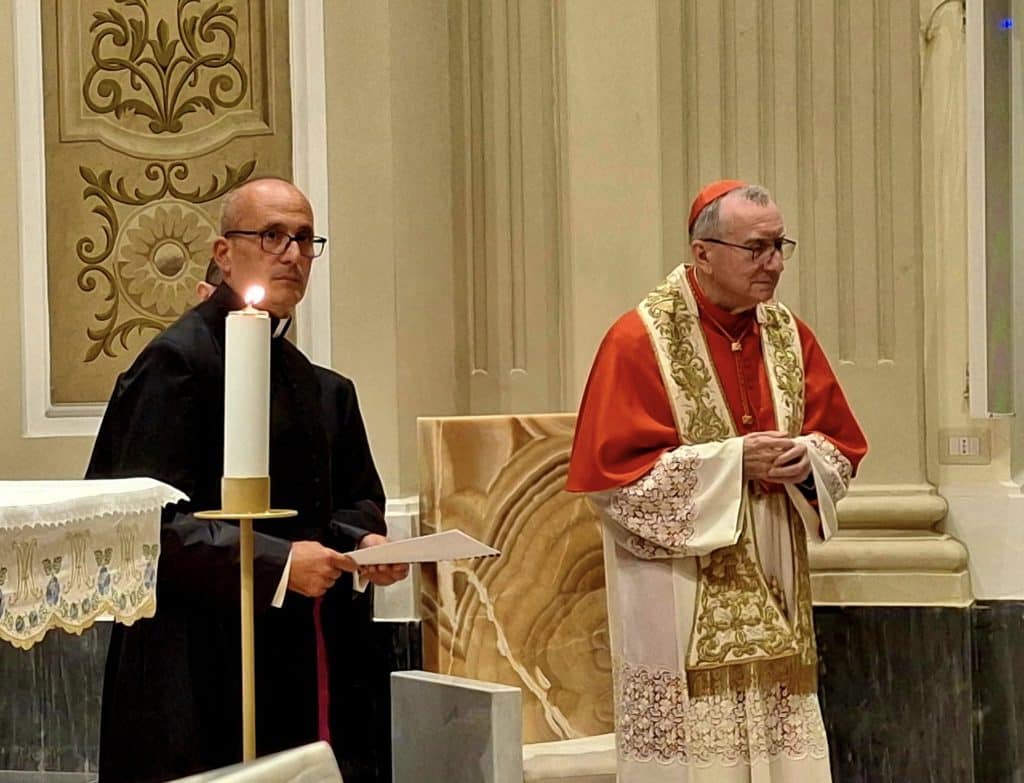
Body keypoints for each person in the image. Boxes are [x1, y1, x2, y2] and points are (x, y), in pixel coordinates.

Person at [86, 177, 407, 782]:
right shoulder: (174, 365)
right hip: (192, 657)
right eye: (272, 235)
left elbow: (353, 499)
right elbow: (135, 521)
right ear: (224, 252)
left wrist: (364, 544)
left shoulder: (317, 386)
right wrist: (278, 562)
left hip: (291, 652)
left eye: (305, 239)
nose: (291, 253)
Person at [566, 180, 867, 782]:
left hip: (777, 597)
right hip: (676, 605)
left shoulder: (789, 336)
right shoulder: (638, 340)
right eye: (756, 248)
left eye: (780, 245)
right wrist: (733, 465)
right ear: (703, 252)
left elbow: (840, 445)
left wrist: (805, 462)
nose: (774, 263)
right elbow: (614, 484)